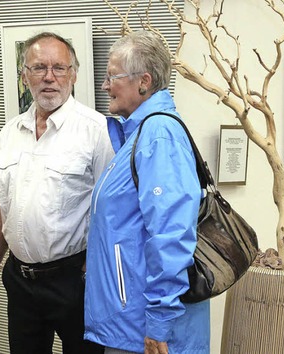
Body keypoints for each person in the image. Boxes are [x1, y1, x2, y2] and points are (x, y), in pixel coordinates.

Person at [0, 32, 114, 354]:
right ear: (25, 76)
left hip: (73, 283)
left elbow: (112, 211)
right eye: (39, 68)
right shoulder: (10, 132)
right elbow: (2, 206)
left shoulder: (97, 131)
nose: (49, 77)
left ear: (73, 74)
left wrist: (88, 274)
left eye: (59, 68)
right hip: (20, 281)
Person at [84, 31, 210, 354]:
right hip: (127, 326)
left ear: (144, 81)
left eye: (112, 76)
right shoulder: (140, 133)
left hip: (144, 333)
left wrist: (159, 323)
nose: (105, 85)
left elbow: (171, 235)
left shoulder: (159, 135)